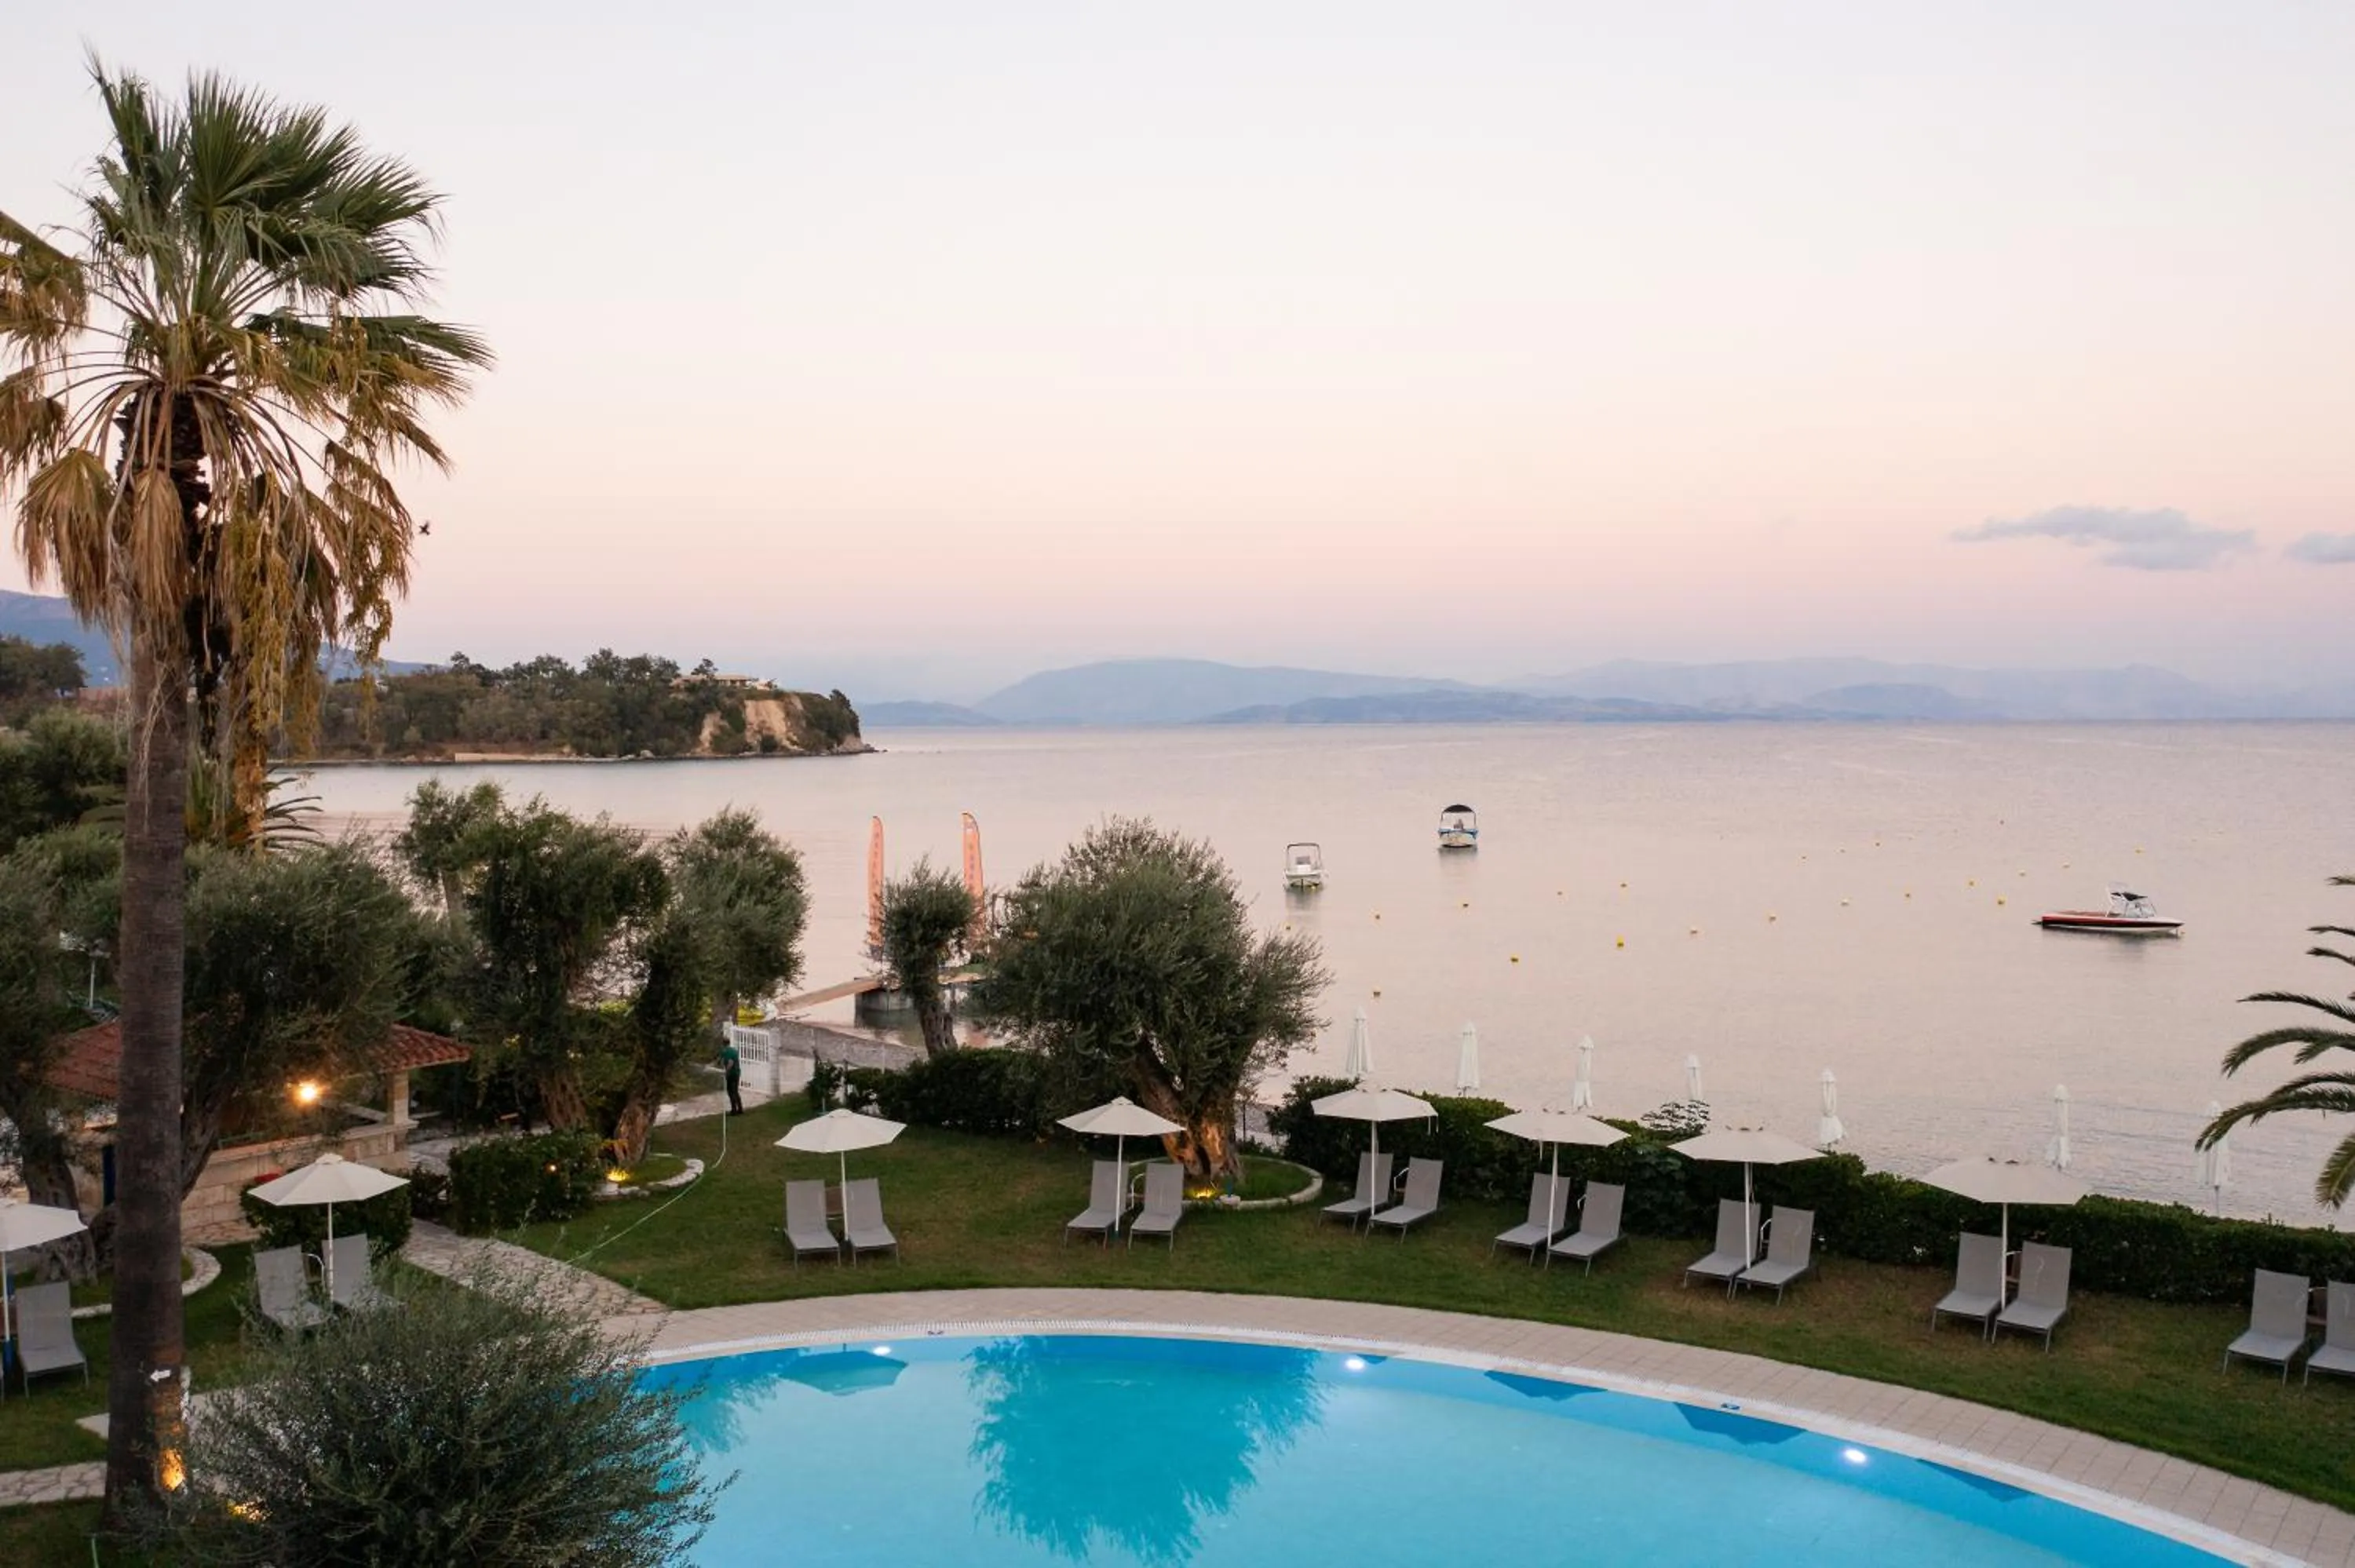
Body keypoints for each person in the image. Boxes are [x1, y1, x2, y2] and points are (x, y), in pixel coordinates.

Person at [718, 1037, 743, 1115]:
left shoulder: (727, 1052)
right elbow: (721, 1060)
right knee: (735, 1091)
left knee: (731, 1092)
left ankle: (734, 1110)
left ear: (723, 1044)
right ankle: (740, 1109)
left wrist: (726, 1072)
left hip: (732, 1074)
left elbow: (730, 1063)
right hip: (737, 1073)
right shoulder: (733, 1051)